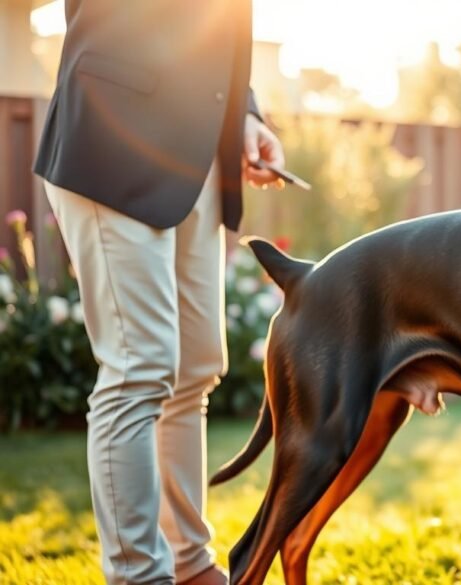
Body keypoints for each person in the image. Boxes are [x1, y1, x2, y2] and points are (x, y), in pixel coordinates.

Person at [33, 1, 284, 583]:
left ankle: (191, 564)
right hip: (113, 135)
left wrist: (244, 112)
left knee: (194, 368)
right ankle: (138, 575)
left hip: (195, 156)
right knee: (138, 368)